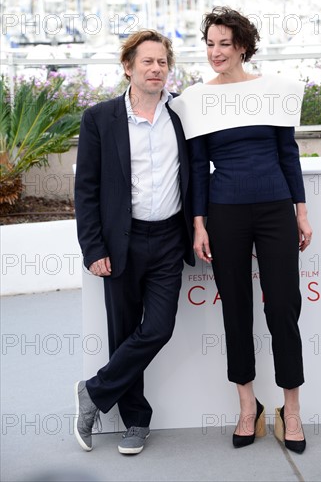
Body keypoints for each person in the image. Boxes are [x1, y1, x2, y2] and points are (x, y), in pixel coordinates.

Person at [170, 7, 312, 454]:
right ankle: (247, 406)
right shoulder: (197, 99)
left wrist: (301, 214)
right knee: (236, 309)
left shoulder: (272, 91)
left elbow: (288, 155)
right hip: (224, 211)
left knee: (284, 307)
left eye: (224, 44)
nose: (215, 52)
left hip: (274, 209)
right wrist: (198, 224)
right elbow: (196, 166)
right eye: (209, 44)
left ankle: (291, 408)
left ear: (243, 47)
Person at [74, 30, 194, 455]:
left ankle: (93, 391)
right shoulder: (99, 119)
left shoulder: (183, 113)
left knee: (158, 328)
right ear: (128, 67)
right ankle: (135, 421)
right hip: (120, 242)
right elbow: (86, 190)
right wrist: (94, 249)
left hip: (168, 239)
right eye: (147, 62)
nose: (157, 69)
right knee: (123, 332)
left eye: (162, 61)